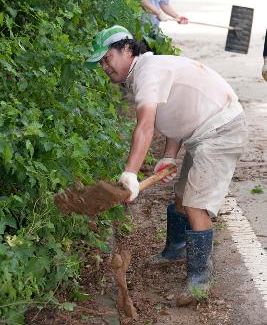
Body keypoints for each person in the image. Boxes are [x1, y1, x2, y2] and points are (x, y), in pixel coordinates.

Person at [85, 25, 248, 305]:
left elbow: (145, 127)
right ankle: (177, 248)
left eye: (107, 57)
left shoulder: (147, 72)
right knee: (181, 196)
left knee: (196, 204)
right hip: (202, 131)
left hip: (221, 129)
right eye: (100, 62)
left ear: (126, 49)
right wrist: (170, 155)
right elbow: (176, 112)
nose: (104, 66)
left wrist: (130, 174)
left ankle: (199, 281)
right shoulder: (146, 71)